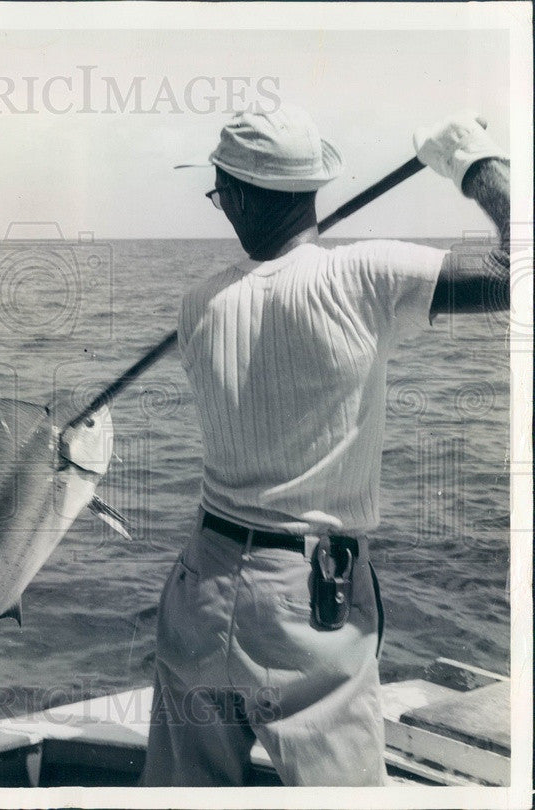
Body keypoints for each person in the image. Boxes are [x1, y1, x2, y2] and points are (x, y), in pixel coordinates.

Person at [141, 105, 509, 786]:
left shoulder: (199, 303)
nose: (221, 209)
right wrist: (474, 163)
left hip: (201, 583)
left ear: (245, 196)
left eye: (221, 193)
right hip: (309, 604)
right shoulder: (367, 277)